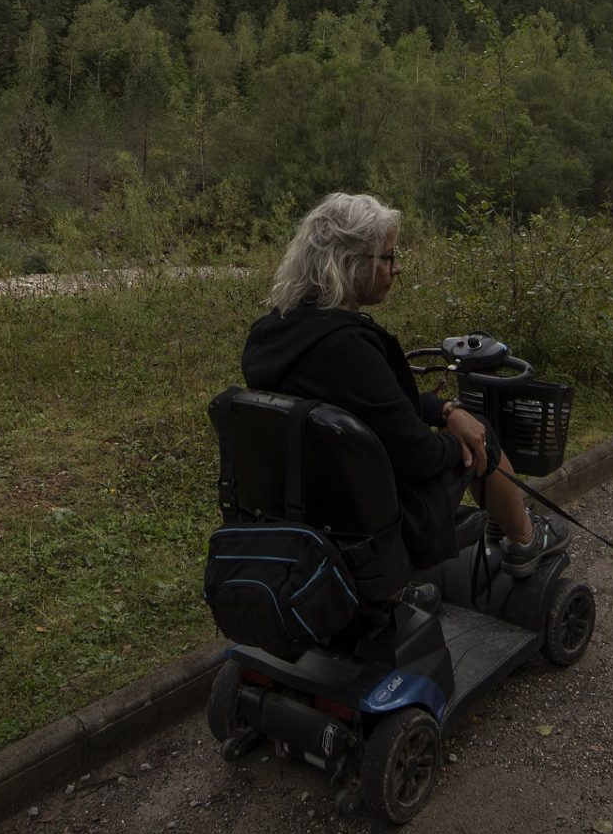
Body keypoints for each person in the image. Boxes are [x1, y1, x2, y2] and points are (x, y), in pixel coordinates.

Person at [240, 191, 564, 574]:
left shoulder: (272, 335)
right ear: (349, 263)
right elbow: (417, 455)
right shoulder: (348, 347)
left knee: (464, 425)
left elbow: (377, 401)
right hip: (376, 517)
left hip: (305, 504)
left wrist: (446, 409)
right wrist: (460, 441)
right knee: (482, 437)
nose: (397, 268)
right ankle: (527, 540)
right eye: (388, 257)